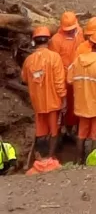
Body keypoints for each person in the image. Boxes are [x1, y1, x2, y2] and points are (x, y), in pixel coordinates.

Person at [67, 32, 96, 163]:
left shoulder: (77, 60)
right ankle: (93, 162)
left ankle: (78, 160)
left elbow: (69, 79)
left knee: (81, 135)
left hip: (81, 106)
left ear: (91, 45)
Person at [21, 26, 66, 159]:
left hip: (38, 103)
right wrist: (64, 99)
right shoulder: (54, 57)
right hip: (53, 102)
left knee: (41, 131)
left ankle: (40, 157)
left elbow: (24, 78)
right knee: (53, 131)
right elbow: (59, 82)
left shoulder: (29, 60)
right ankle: (51, 157)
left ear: (34, 41)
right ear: (48, 40)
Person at [51, 11, 83, 134]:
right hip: (63, 78)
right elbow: (55, 62)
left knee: (76, 105)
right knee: (63, 106)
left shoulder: (79, 33)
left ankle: (72, 129)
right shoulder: (56, 40)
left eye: (72, 29)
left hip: (78, 77)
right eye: (67, 29)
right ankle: (60, 131)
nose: (70, 31)